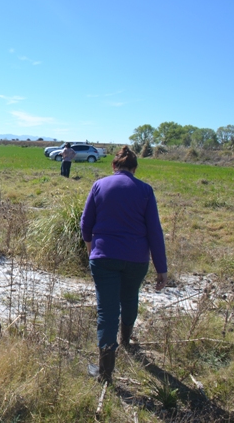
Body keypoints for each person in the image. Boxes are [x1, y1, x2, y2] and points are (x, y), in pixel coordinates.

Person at [80, 145, 168, 384]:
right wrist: (161, 268)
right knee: (129, 298)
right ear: (135, 169)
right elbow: (154, 232)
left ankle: (105, 373)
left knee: (107, 312)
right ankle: (126, 341)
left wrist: (91, 250)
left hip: (104, 257)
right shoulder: (145, 191)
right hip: (136, 259)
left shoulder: (99, 185)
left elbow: (86, 224)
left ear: (113, 166)